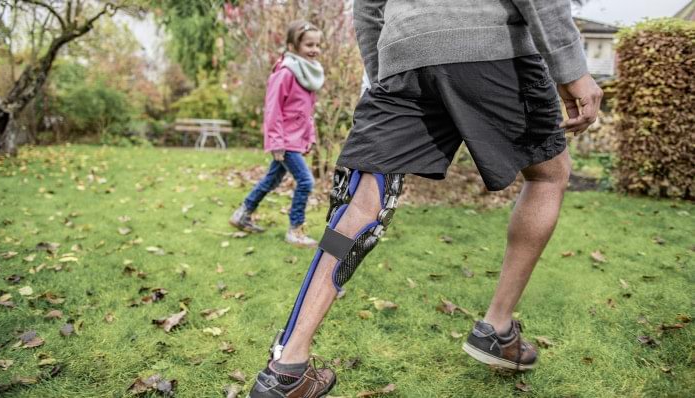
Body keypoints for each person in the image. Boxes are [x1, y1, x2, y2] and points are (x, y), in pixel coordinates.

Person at [247, 1, 603, 396]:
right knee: (548, 175)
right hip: (491, 46)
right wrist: (572, 69)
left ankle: (288, 368)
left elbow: (367, 6)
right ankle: (497, 328)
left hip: (404, 53)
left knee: (359, 205)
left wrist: (386, 71)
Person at [230, 20, 324, 248]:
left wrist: (309, 138)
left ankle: (242, 214)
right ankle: (295, 230)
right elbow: (273, 110)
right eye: (308, 45)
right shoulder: (285, 73)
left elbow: (305, 112)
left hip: (294, 138)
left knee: (272, 179)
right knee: (305, 181)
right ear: (293, 45)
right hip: (284, 140)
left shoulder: (306, 72)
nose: (314, 49)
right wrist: (276, 143)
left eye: (317, 45)